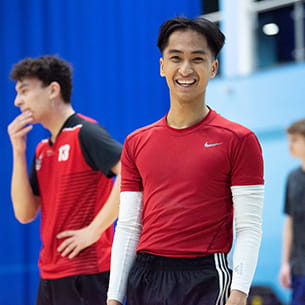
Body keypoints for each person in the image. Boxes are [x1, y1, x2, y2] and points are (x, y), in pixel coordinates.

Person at [107, 16, 264, 305]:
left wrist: (239, 293)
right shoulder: (136, 142)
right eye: (176, 58)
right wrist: (114, 298)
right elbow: (129, 226)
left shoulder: (240, 140)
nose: (186, 69)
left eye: (197, 59)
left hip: (204, 277)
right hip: (145, 276)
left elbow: (248, 227)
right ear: (162, 66)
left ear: (213, 68)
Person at [7, 55, 122, 305]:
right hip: (50, 274)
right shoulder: (41, 149)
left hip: (88, 273)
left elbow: (131, 173)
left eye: (24, 91)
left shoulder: (85, 132)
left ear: (53, 90)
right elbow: (24, 213)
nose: (18, 101)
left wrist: (94, 230)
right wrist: (17, 150)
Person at [279, 119, 305, 305]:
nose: (290, 146)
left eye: (295, 140)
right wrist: (285, 263)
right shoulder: (292, 178)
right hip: (299, 268)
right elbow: (289, 223)